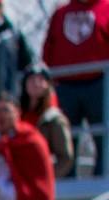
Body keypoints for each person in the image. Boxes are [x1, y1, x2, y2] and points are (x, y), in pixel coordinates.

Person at [43, 0, 109, 171]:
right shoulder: (61, 12)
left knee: (103, 140)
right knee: (65, 141)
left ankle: (103, 188)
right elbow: (49, 46)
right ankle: (67, 188)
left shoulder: (106, 8)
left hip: (100, 84)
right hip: (65, 85)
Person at [23, 66, 78, 178]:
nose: (35, 83)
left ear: (48, 84)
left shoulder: (54, 118)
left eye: (40, 79)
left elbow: (65, 157)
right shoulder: (17, 114)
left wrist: (46, 177)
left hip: (40, 178)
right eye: (31, 79)